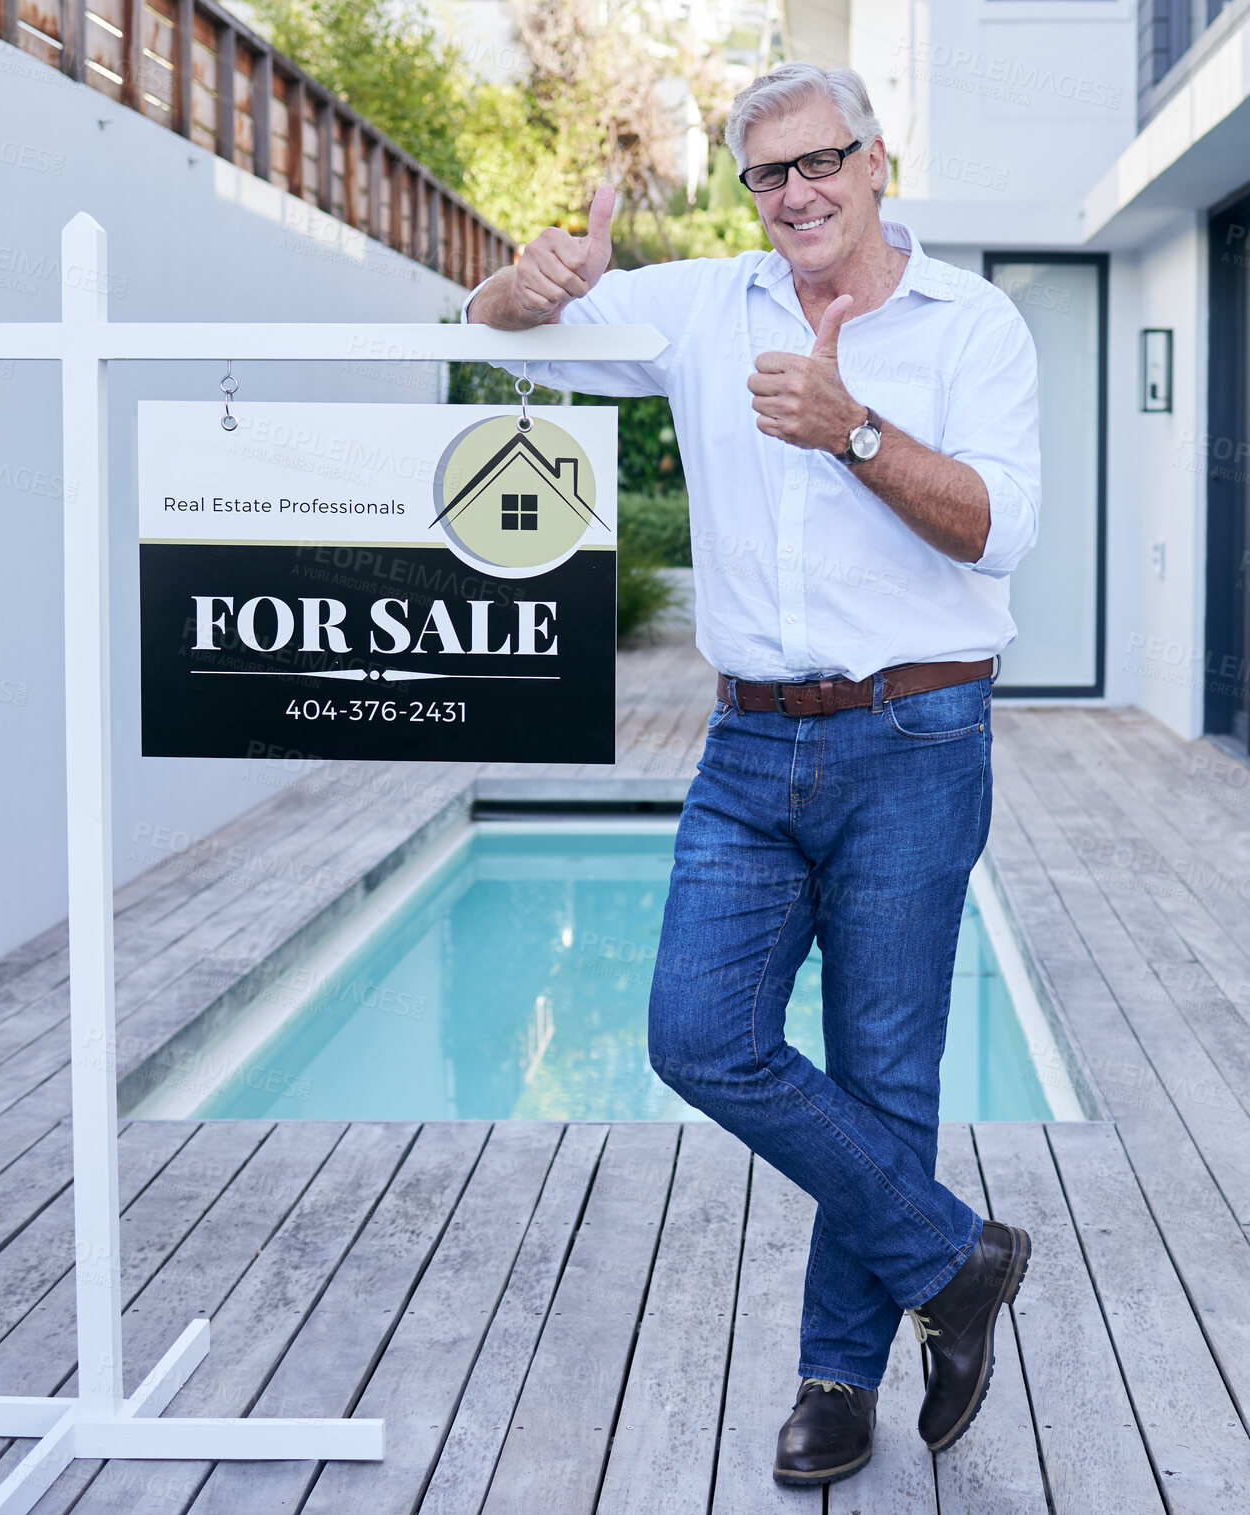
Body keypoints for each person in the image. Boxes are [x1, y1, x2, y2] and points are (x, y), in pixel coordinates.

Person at [463, 60, 1037, 1488]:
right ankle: (950, 1263)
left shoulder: (977, 324)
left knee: (883, 1071)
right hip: (747, 743)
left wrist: (848, 426)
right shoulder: (699, 304)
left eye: (820, 161)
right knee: (695, 1034)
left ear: (877, 160)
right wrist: (524, 288)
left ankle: (837, 1383)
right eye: (769, 174)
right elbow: (501, 341)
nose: (798, 193)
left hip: (918, 736)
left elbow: (995, 530)